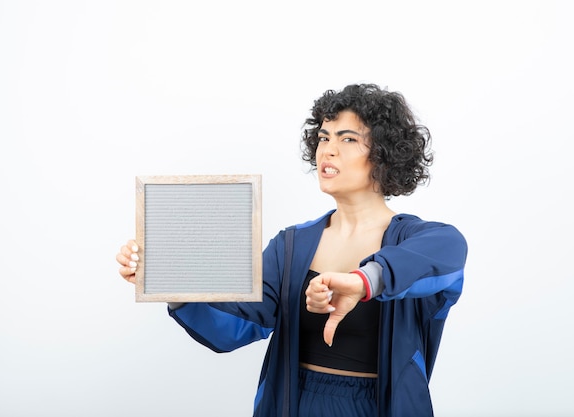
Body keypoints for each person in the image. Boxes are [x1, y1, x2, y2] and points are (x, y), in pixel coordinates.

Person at [116, 83, 468, 417]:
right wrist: (170, 282)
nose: (328, 149)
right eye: (324, 137)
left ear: (385, 155)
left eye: (347, 139)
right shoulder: (291, 244)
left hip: (375, 407)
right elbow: (234, 328)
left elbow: (446, 253)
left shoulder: (421, 240)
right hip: (294, 402)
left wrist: (363, 282)